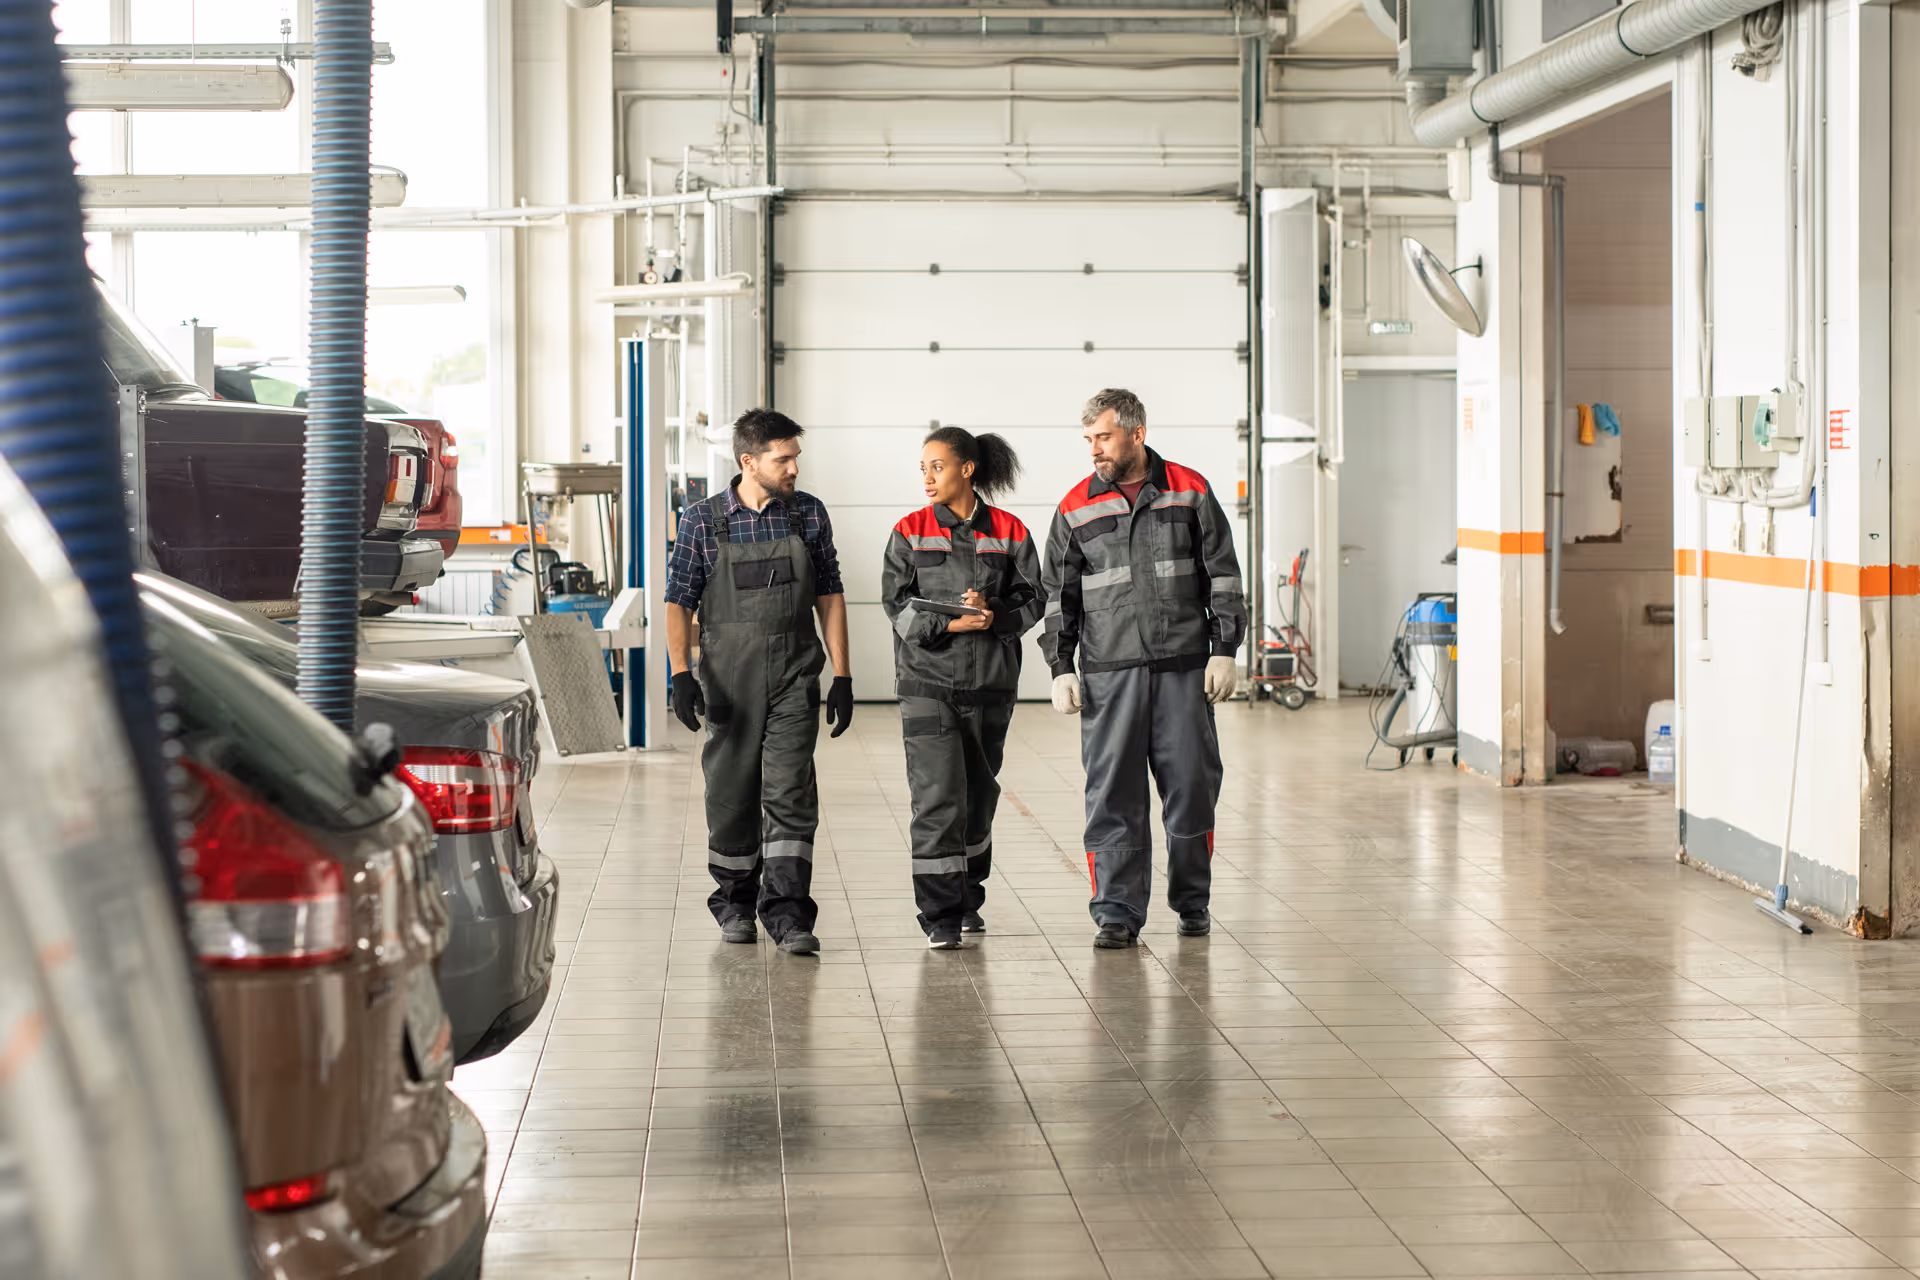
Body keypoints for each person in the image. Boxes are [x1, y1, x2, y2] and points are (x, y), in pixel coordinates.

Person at [1040, 388, 1245, 949]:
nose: (1094, 450)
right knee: (1112, 794)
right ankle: (1117, 913)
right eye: (1088, 440)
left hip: (1182, 668)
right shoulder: (1075, 505)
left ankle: (1191, 900)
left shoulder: (1190, 491)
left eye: (1102, 437)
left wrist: (1225, 648)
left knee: (1192, 787)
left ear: (1137, 432)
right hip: (1110, 674)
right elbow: (1059, 595)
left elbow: (1222, 574)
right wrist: (1061, 664)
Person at [664, 409, 854, 956]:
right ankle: (735, 903)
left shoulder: (807, 515)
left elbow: (830, 595)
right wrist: (681, 673)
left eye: (796, 456)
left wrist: (842, 673)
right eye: (783, 458)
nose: (794, 467)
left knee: (791, 793)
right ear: (749, 461)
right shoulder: (703, 520)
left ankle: (790, 914)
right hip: (728, 679)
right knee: (731, 794)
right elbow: (679, 600)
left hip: (795, 673)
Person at [881, 428, 1045, 950]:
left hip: (991, 685)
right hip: (927, 683)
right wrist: (953, 625)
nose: (927, 478)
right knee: (936, 797)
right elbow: (896, 607)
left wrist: (993, 615)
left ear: (966, 470)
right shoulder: (909, 531)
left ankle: (967, 892)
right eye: (923, 468)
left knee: (978, 796)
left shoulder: (1012, 532)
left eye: (937, 467)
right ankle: (939, 913)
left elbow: (1035, 600)